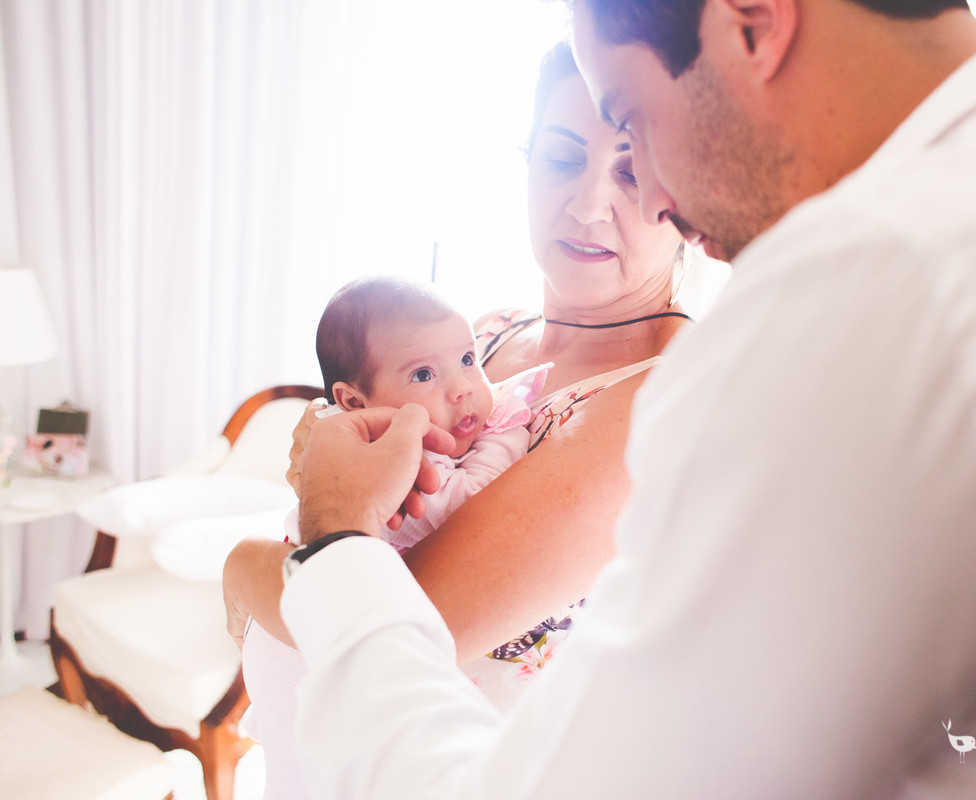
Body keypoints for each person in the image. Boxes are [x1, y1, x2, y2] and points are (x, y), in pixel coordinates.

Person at [249, 1, 976, 798]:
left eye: (634, 122)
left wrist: (332, 537)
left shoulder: (886, 289)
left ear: (753, 21)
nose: (650, 194)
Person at [223, 34, 700, 766]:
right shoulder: (488, 333)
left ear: (691, 196)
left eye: (634, 172)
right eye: (564, 158)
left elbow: (397, 620)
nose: (587, 204)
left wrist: (239, 568)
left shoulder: (661, 401)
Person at [241, 276, 548, 799]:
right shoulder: (407, 458)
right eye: (425, 374)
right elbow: (466, 499)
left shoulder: (370, 436)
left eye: (469, 361)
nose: (462, 388)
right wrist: (507, 437)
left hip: (298, 615)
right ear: (354, 401)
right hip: (300, 653)